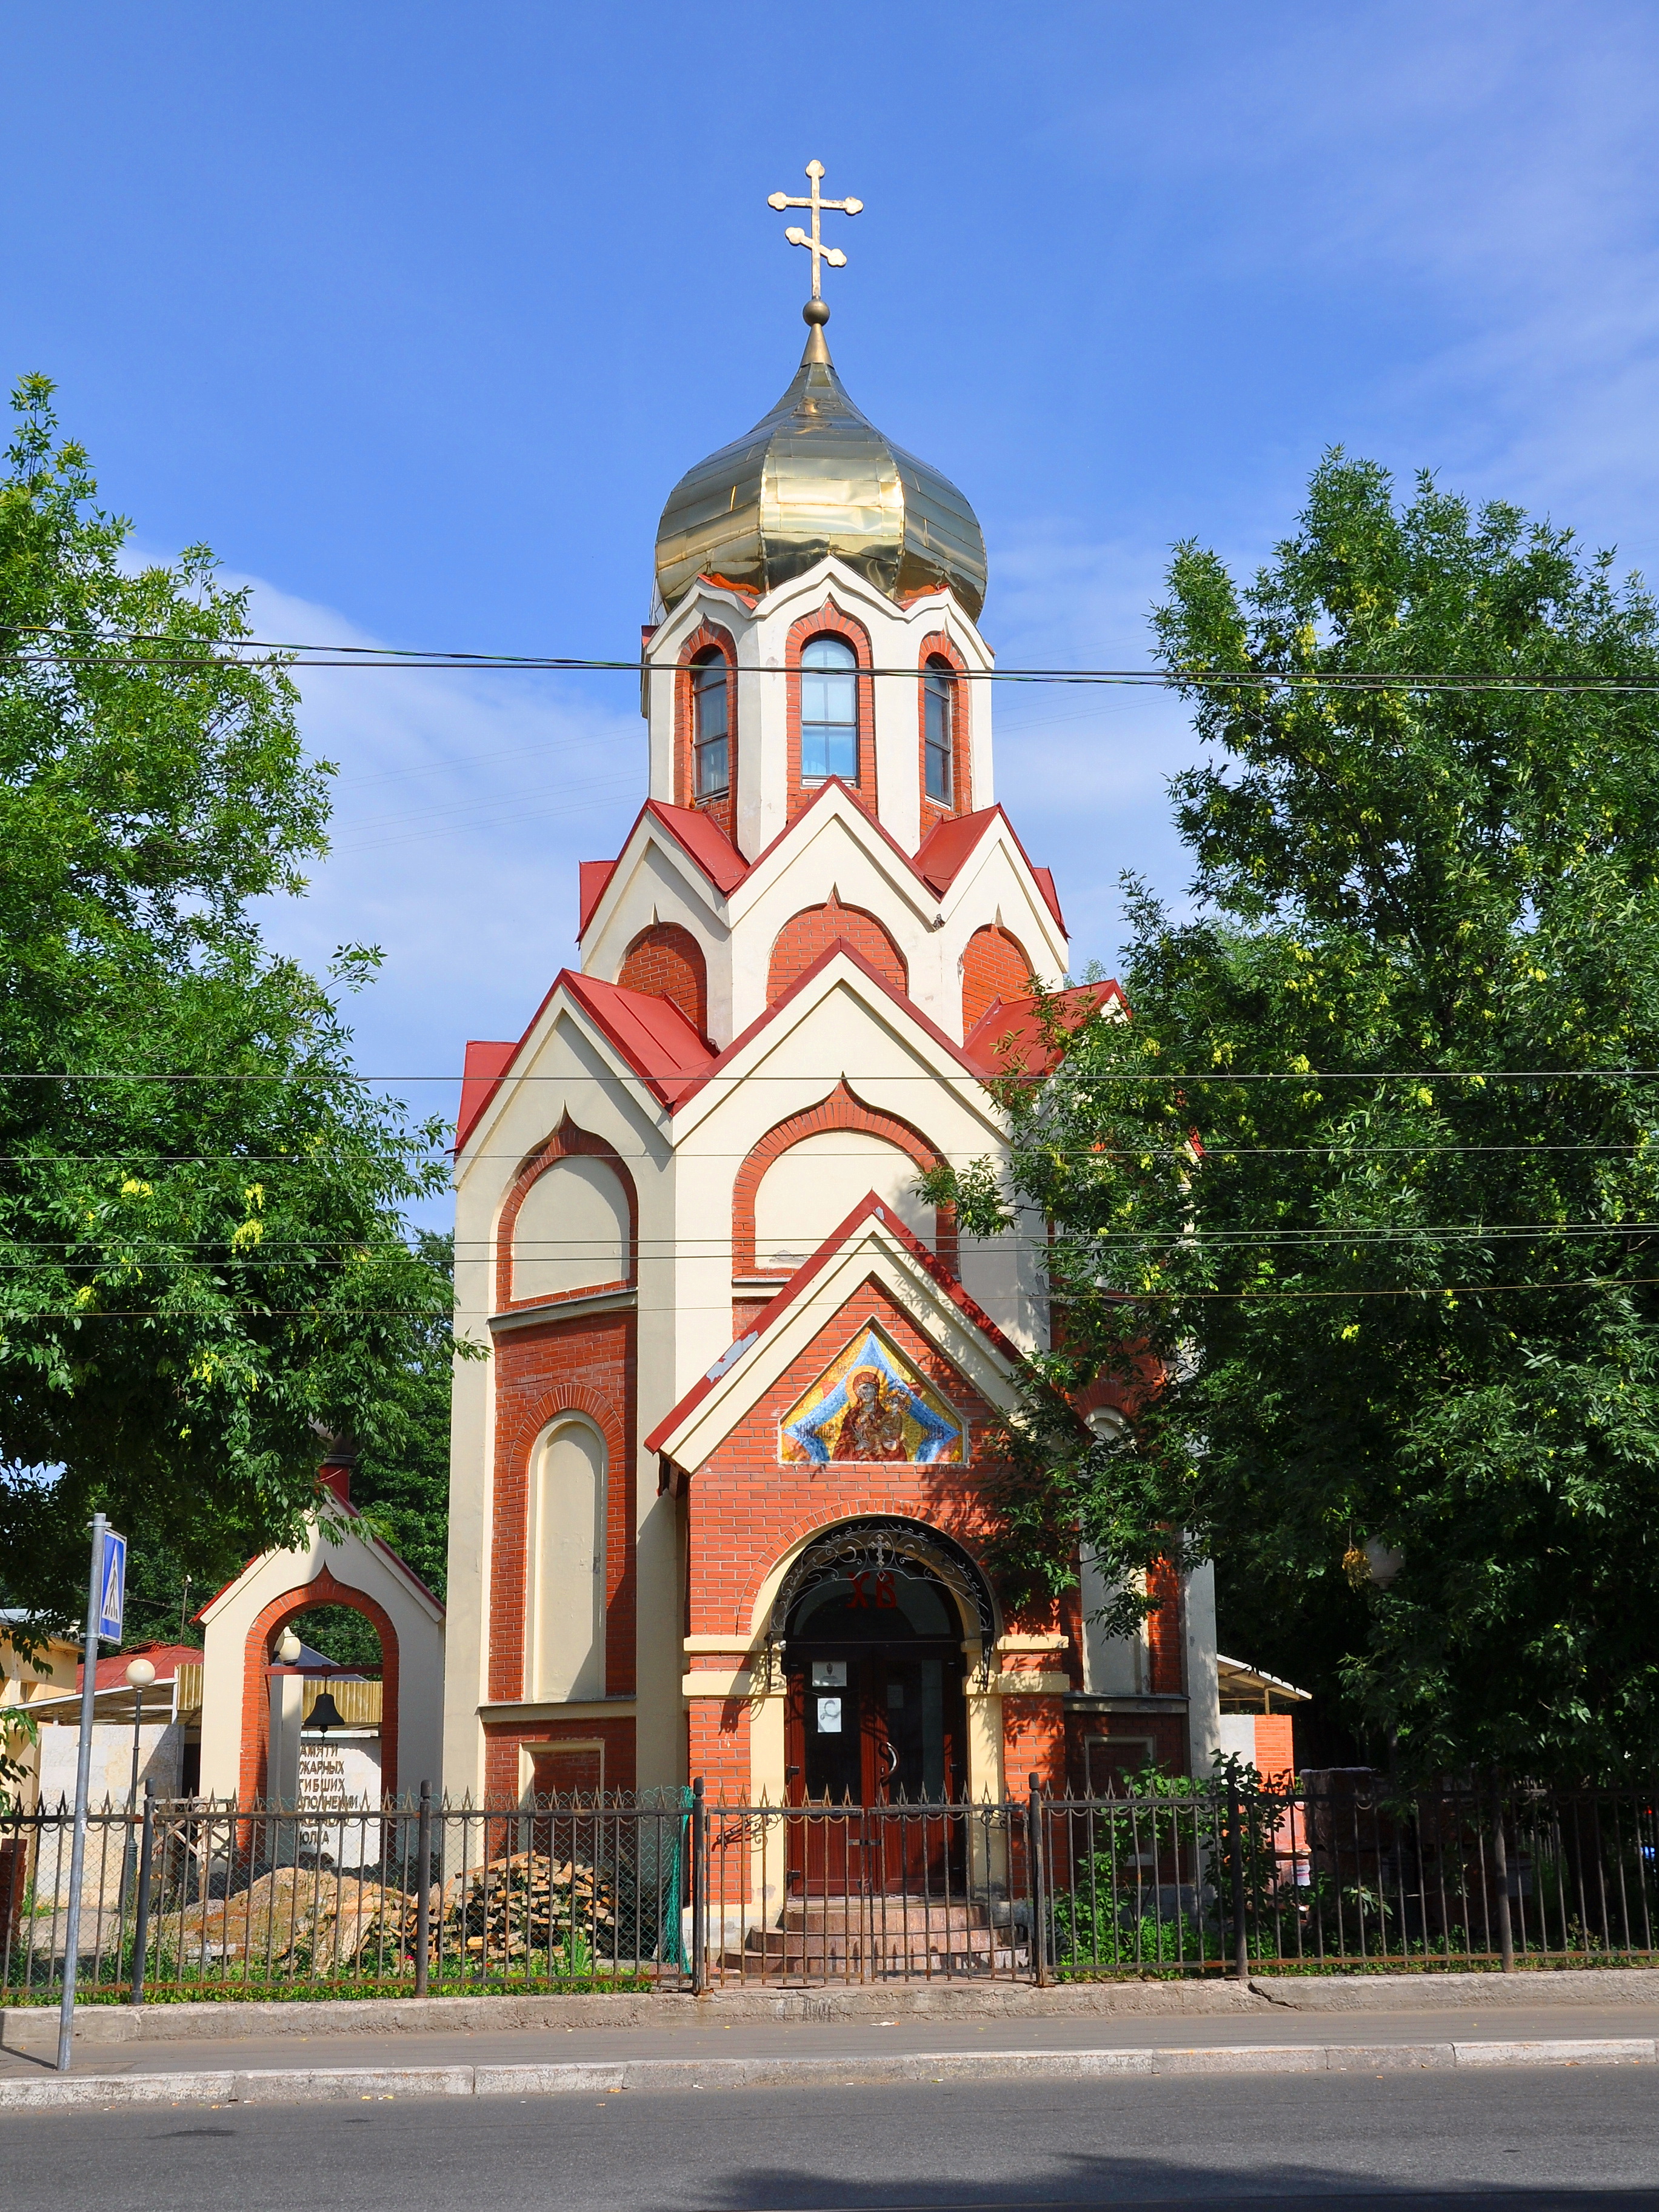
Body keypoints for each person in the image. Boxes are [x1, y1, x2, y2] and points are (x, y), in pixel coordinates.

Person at [829, 1368, 910, 1461]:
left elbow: (897, 1438)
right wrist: (856, 1447)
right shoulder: (852, 1418)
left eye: (866, 1388)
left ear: (875, 1390)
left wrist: (895, 1446)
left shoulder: (885, 1416)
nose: (863, 1393)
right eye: (859, 1391)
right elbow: (838, 1451)